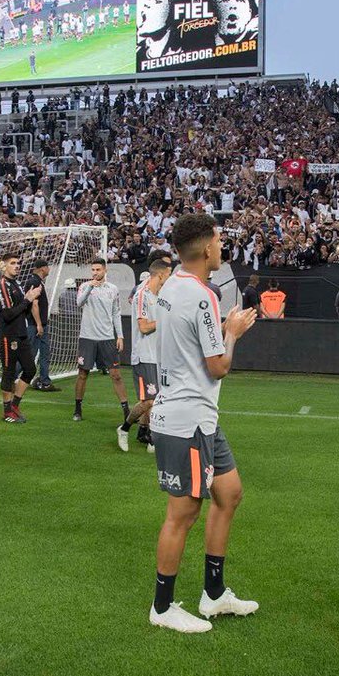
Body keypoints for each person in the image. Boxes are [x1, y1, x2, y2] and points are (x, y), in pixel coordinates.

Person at [147, 213, 259, 633]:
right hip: (187, 417)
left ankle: (213, 594)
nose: (222, 246)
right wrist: (233, 332)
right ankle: (162, 607)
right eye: (219, 239)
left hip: (197, 416)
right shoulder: (201, 295)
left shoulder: (172, 285)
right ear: (207, 247)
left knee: (228, 494)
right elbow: (218, 367)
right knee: (183, 512)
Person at [119, 251, 172, 453]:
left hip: (158, 356)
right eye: (168, 275)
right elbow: (144, 327)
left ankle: (151, 437)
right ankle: (124, 429)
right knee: (149, 400)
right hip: (144, 355)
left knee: (158, 399)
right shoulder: (142, 295)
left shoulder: (161, 297)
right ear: (159, 275)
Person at [73, 258, 128, 424]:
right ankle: (77, 408)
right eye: (93, 270)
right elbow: (78, 303)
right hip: (87, 337)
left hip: (107, 338)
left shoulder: (113, 289)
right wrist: (90, 287)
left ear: (105, 270)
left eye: (98, 269)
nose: (95, 272)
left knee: (116, 375)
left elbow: (116, 313)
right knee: (83, 374)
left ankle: (126, 410)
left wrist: (120, 336)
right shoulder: (84, 286)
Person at [0, 253, 42, 423]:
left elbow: (22, 309)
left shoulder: (18, 285)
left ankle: (14, 405)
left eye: (18, 263)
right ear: (4, 266)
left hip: (20, 332)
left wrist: (31, 299)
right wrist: (27, 300)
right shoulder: (2, 285)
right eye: (13, 263)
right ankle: (7, 411)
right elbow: (7, 314)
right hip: (8, 334)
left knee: (30, 369)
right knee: (8, 372)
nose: (17, 266)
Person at [23, 260, 57, 391]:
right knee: (30, 355)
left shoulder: (37, 281)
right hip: (35, 325)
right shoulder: (34, 282)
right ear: (43, 268)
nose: (49, 269)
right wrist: (38, 324)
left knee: (44, 354)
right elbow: (34, 304)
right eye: (47, 267)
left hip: (40, 324)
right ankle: (10, 378)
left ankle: (45, 381)